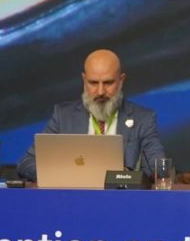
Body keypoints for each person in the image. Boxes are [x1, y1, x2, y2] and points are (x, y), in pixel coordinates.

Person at [16, 48, 166, 181]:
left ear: (121, 81)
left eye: (108, 83)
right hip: (72, 202)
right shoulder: (63, 116)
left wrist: (124, 176)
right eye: (93, 83)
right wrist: (65, 175)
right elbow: (26, 163)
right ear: (84, 80)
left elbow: (158, 168)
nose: (100, 91)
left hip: (121, 203)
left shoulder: (143, 118)